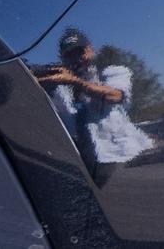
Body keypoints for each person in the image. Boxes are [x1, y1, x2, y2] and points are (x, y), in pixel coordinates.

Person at [39, 29, 153, 178]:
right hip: (86, 166)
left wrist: (75, 81)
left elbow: (115, 95)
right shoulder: (60, 90)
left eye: (79, 52)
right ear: (63, 59)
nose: (76, 59)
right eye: (69, 55)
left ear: (91, 50)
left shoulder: (111, 72)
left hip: (125, 158)